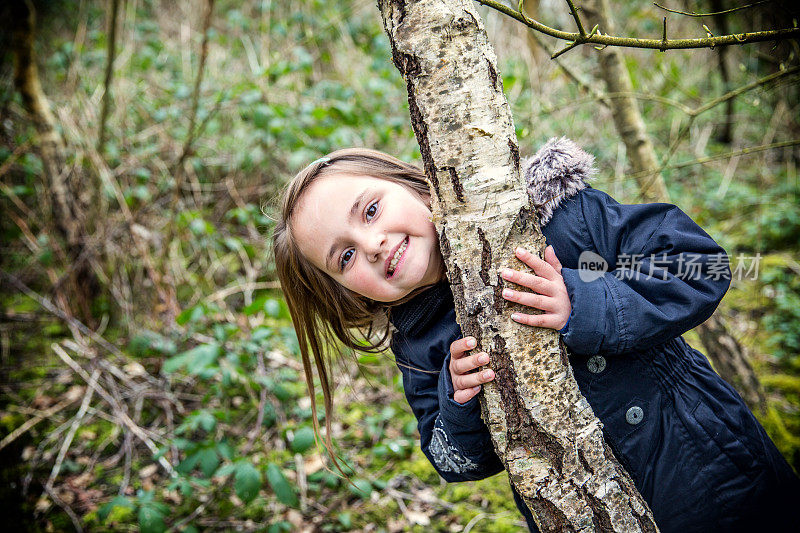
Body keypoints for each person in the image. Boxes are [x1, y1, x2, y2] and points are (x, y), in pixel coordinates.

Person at [271, 138, 799, 532]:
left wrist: (584, 301)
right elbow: (454, 462)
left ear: (412, 183)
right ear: (345, 291)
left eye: (370, 210)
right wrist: (457, 402)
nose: (372, 243)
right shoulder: (418, 345)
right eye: (343, 257)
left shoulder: (556, 221)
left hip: (714, 475)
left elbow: (697, 264)